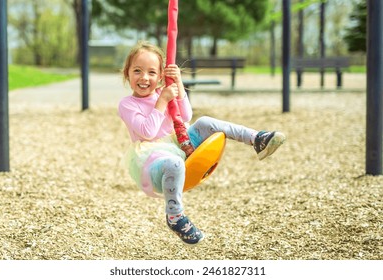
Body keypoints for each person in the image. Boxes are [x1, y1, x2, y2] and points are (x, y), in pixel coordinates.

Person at [118, 41, 286, 245]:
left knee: (205, 122)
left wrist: (178, 85)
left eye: (151, 72)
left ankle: (256, 139)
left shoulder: (165, 93)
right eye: (137, 71)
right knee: (174, 163)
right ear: (127, 73)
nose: (144, 78)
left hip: (177, 144)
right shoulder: (127, 104)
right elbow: (148, 132)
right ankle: (175, 216)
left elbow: (186, 114)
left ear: (160, 76)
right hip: (153, 162)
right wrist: (161, 101)